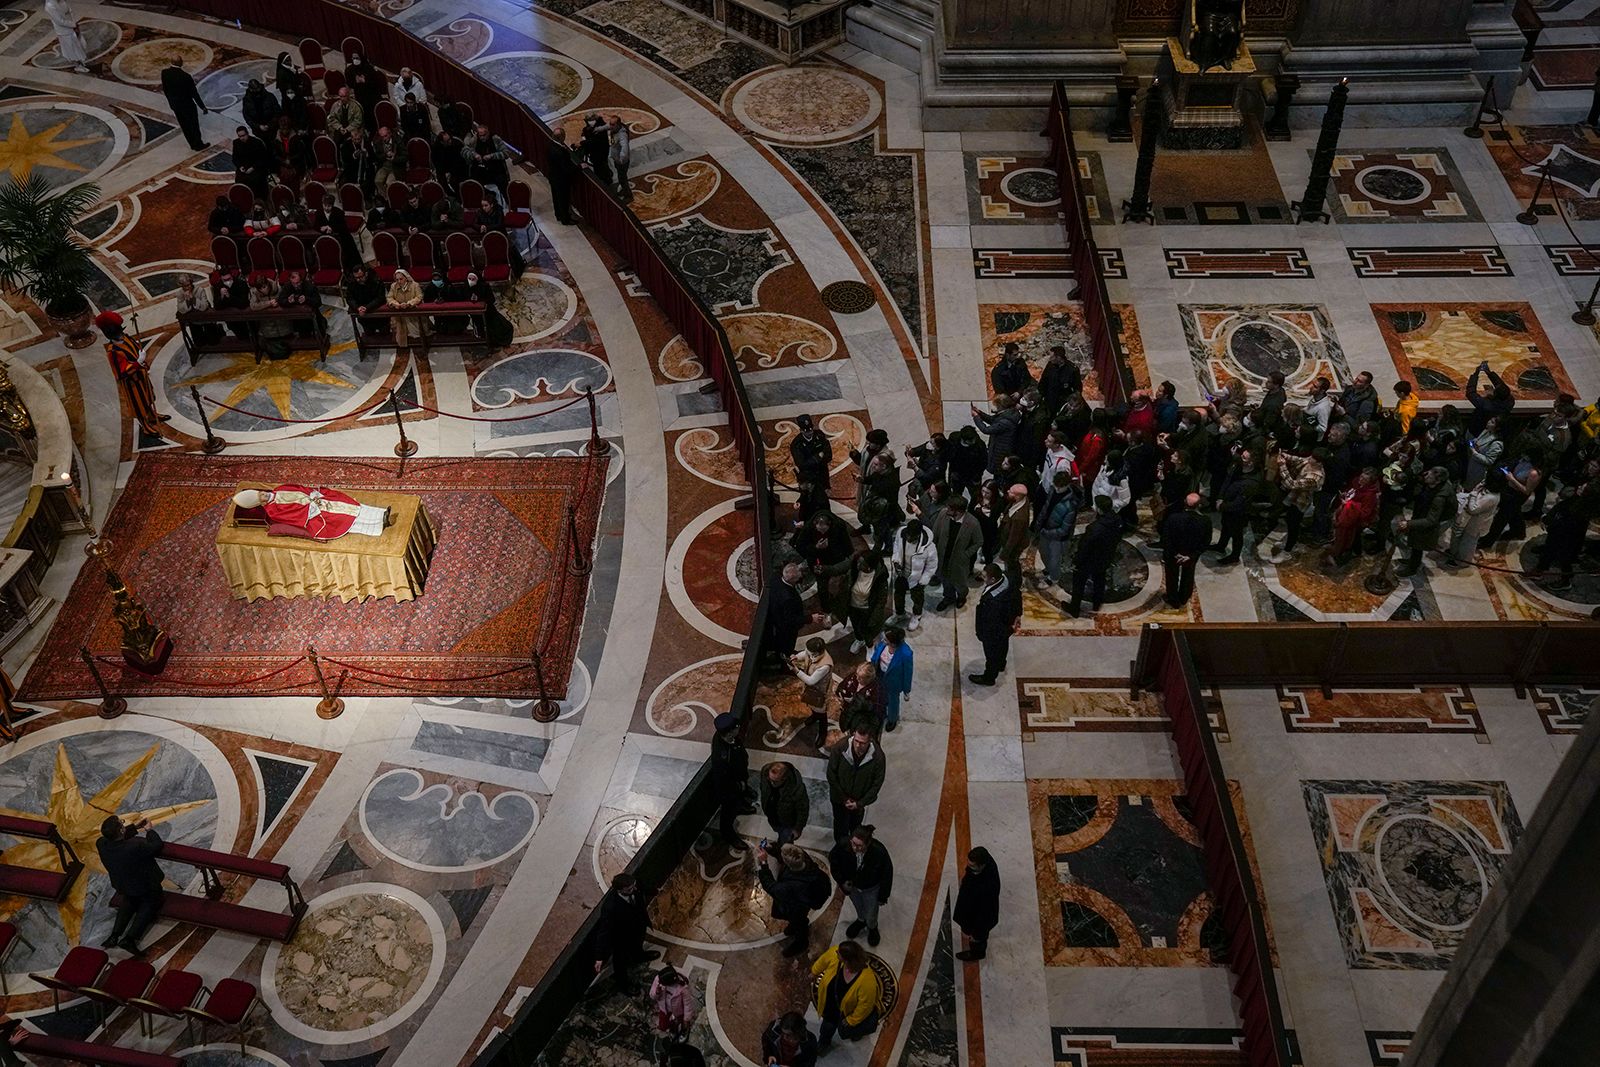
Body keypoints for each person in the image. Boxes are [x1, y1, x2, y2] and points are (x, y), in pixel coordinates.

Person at [97, 815, 165, 955]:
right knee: (151, 903)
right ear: (121, 830)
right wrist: (149, 830)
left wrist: (135, 827)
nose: (123, 825)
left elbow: (115, 839)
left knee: (129, 901)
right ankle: (130, 939)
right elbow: (156, 846)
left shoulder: (101, 844)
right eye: (122, 824)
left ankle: (114, 935)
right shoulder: (135, 846)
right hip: (145, 885)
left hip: (123, 884)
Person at [96, 312, 166, 437]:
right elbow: (121, 372)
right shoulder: (113, 352)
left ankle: (151, 415)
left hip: (141, 375)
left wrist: (142, 359)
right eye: (119, 333)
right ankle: (145, 426)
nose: (122, 335)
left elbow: (136, 349)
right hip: (131, 382)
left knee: (148, 397)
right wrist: (138, 363)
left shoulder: (126, 338)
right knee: (139, 404)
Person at [756, 842, 831, 957]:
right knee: (797, 920)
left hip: (797, 905)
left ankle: (801, 942)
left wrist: (763, 863)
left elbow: (771, 886)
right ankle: (796, 925)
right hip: (808, 898)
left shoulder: (791, 886)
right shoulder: (804, 859)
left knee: (798, 921)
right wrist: (772, 849)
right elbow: (788, 854)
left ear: (787, 864)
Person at [231, 485, 389, 540]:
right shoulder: (273, 511)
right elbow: (293, 517)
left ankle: (381, 513)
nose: (265, 495)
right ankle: (378, 524)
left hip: (318, 500)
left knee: (350, 505)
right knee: (344, 519)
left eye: (262, 493)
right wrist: (313, 508)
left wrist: (313, 494)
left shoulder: (278, 489)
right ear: (261, 502)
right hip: (314, 516)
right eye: (262, 497)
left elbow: (299, 489)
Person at [592, 874, 659, 993]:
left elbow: (643, 888)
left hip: (638, 926)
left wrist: (653, 891)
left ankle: (639, 956)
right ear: (620, 890)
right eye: (629, 889)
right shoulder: (610, 907)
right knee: (620, 963)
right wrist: (599, 956)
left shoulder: (634, 885)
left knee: (638, 944)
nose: (634, 889)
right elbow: (604, 931)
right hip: (621, 938)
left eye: (634, 886)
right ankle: (623, 985)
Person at [828, 824, 892, 948]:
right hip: (852, 886)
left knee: (872, 910)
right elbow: (834, 861)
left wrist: (883, 896)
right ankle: (861, 920)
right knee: (858, 905)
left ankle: (872, 926)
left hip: (871, 888)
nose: (854, 847)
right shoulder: (843, 844)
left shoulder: (879, 851)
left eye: (859, 845)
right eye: (853, 843)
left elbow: (887, 873)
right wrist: (842, 881)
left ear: (867, 844)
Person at [811, 940, 882, 1049]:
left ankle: (854, 1034)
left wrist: (851, 1020)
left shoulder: (867, 981)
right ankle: (824, 1043)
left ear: (847, 960)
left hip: (845, 1013)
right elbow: (823, 961)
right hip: (830, 1007)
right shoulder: (836, 955)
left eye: (839, 954)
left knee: (836, 1027)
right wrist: (814, 972)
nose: (836, 953)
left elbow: (865, 1006)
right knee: (826, 1029)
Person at [1064, 496, 1122, 618]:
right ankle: (1097, 602)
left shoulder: (1094, 528)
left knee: (1079, 583)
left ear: (1099, 509)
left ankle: (1074, 608)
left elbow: (1085, 547)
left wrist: (1077, 560)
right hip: (1106, 556)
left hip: (1089, 560)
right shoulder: (1117, 520)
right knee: (1100, 578)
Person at [827, 727, 885, 843]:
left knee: (855, 826)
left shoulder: (878, 758)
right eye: (856, 741)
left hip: (859, 802)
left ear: (870, 741)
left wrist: (860, 803)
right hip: (839, 799)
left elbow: (876, 784)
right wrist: (844, 798)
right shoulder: (840, 748)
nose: (858, 746)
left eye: (863, 743)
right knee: (840, 825)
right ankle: (841, 846)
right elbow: (831, 774)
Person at [969, 563, 1021, 686]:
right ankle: (1001, 663)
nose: (982, 577)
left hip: (994, 630)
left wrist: (981, 634)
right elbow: (1018, 595)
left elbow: (988, 620)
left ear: (992, 579)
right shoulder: (1008, 579)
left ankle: (989, 677)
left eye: (984, 576)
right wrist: (1018, 614)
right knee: (1003, 645)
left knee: (991, 654)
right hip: (1006, 625)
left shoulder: (992, 600)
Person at [765, 562, 823, 666]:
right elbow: (790, 620)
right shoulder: (788, 598)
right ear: (793, 580)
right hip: (785, 628)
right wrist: (810, 618)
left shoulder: (776, 578)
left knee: (783, 645)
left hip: (776, 618)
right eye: (798, 577)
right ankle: (785, 664)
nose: (801, 576)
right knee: (786, 646)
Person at [1160, 493, 1211, 608]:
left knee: (1171, 576)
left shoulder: (1173, 518)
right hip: (1190, 554)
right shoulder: (1205, 521)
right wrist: (1191, 556)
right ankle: (1184, 597)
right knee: (1188, 574)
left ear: (1184, 503)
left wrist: (1174, 553)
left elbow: (1166, 538)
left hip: (1173, 553)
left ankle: (1173, 599)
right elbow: (1206, 542)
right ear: (1199, 505)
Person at [1445, 468, 1503, 569]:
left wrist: (1473, 494)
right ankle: (1455, 552)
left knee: (1467, 543)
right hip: (1469, 520)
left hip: (1476, 524)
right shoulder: (1487, 488)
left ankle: (1463, 562)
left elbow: (1473, 509)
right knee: (1460, 537)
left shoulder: (1492, 497)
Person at [931, 495, 982, 611]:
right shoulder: (943, 514)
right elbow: (936, 532)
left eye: (950, 509)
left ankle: (961, 597)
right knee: (945, 580)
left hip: (959, 562)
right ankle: (948, 598)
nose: (946, 510)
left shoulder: (973, 523)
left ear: (958, 511)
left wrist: (966, 555)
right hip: (942, 557)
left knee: (960, 583)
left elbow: (979, 541)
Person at [710, 712, 751, 850]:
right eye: (737, 727)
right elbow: (724, 781)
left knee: (739, 799)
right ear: (729, 733)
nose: (739, 727)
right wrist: (739, 786)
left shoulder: (727, 737)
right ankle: (728, 835)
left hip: (739, 779)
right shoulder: (721, 757)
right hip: (729, 791)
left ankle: (741, 805)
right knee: (728, 813)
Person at [953, 846, 1000, 961]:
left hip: (978, 919)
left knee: (978, 939)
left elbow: (984, 916)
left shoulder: (988, 888)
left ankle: (977, 953)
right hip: (971, 906)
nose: (969, 867)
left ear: (982, 865)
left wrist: (975, 934)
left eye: (972, 866)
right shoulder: (985, 861)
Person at [888, 517, 936, 631]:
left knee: (917, 598)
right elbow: (896, 548)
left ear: (919, 535)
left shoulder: (929, 547)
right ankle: (900, 614)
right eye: (908, 536)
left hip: (917, 578)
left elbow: (932, 566)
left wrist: (923, 580)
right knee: (898, 595)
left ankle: (917, 615)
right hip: (901, 574)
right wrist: (896, 561)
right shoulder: (902, 534)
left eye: (912, 537)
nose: (909, 539)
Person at [788, 636, 834, 752]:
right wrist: (796, 656)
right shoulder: (813, 653)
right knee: (812, 706)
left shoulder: (825, 665)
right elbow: (805, 653)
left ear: (817, 652)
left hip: (820, 692)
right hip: (811, 689)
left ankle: (822, 731)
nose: (807, 652)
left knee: (821, 711)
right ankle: (814, 716)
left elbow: (811, 680)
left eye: (809, 651)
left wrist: (796, 671)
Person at [1036, 469, 1079, 590]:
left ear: (1067, 485)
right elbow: (1046, 507)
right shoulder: (1052, 490)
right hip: (1046, 528)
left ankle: (1053, 577)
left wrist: (1047, 532)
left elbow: (1064, 529)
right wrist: (1039, 523)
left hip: (1059, 538)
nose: (1057, 489)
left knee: (1055, 559)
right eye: (1056, 485)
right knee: (1043, 552)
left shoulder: (1071, 504)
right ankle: (1048, 569)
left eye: (1060, 487)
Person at [840, 550, 889, 654]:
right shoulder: (855, 569)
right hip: (853, 606)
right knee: (856, 626)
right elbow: (838, 569)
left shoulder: (880, 577)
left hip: (867, 609)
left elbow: (881, 601)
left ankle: (869, 646)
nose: (858, 564)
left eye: (861, 563)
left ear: (869, 567)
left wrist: (874, 618)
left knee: (866, 629)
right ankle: (859, 639)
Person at [648, 964, 698, 1060]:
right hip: (664, 1009)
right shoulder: (659, 980)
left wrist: (686, 1019)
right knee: (663, 1025)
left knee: (681, 1024)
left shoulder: (682, 988)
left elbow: (687, 1004)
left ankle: (684, 1031)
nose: (660, 984)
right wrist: (657, 992)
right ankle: (671, 1028)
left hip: (678, 1011)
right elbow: (652, 995)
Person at [869, 627, 913, 732]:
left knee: (893, 702)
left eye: (886, 639)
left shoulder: (906, 654)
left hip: (894, 683)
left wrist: (907, 690)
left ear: (893, 643)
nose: (884, 640)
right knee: (880, 696)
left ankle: (892, 719)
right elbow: (876, 656)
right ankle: (881, 712)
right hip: (880, 675)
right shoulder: (883, 645)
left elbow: (908, 673)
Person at [160, 57, 208, 150]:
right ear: (181, 63)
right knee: (193, 125)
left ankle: (192, 144)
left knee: (184, 125)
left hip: (176, 106)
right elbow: (194, 93)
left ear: (171, 62)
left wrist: (171, 103)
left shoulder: (165, 73)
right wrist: (202, 107)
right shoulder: (185, 76)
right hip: (188, 105)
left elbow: (166, 90)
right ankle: (198, 144)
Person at [759, 761, 809, 844]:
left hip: (787, 822)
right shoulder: (765, 772)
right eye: (769, 779)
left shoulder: (796, 789)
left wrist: (798, 828)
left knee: (785, 841)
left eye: (775, 782)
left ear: (784, 778)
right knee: (778, 830)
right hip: (773, 816)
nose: (771, 783)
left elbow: (803, 810)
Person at [464, 273, 514, 350]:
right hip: (477, 316)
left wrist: (479, 300)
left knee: (503, 327)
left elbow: (491, 299)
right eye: (469, 279)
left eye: (473, 279)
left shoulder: (484, 286)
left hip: (489, 313)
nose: (470, 281)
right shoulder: (466, 287)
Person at [385, 269, 429, 353]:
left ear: (406, 278)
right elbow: (389, 297)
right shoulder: (393, 286)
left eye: (401, 279)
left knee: (418, 331)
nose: (399, 281)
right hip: (400, 313)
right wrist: (395, 304)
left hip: (413, 312)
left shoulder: (415, 285)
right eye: (397, 279)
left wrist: (409, 304)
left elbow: (419, 297)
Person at [44, 0, 89, 73]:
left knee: (77, 44)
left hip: (71, 24)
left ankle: (80, 61)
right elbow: (59, 21)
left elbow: (69, 10)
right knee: (70, 48)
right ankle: (77, 65)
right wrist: (73, 25)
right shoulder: (50, 6)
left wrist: (74, 22)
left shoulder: (60, 1)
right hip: (64, 30)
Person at [176, 275, 223, 345]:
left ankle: (219, 329)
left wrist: (194, 299)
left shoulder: (200, 290)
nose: (187, 287)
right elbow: (181, 309)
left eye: (188, 285)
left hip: (206, 318)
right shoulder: (180, 293)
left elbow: (204, 306)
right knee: (199, 344)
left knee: (214, 342)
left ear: (191, 283)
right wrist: (187, 301)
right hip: (194, 320)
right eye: (184, 286)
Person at [608, 114, 633, 201]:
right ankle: (624, 190)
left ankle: (628, 196)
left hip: (622, 161)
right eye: (610, 124)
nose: (610, 126)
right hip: (617, 158)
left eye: (613, 124)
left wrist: (621, 158)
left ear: (618, 124)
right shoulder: (614, 131)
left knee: (622, 178)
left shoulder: (622, 135)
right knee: (621, 176)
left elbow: (625, 147)